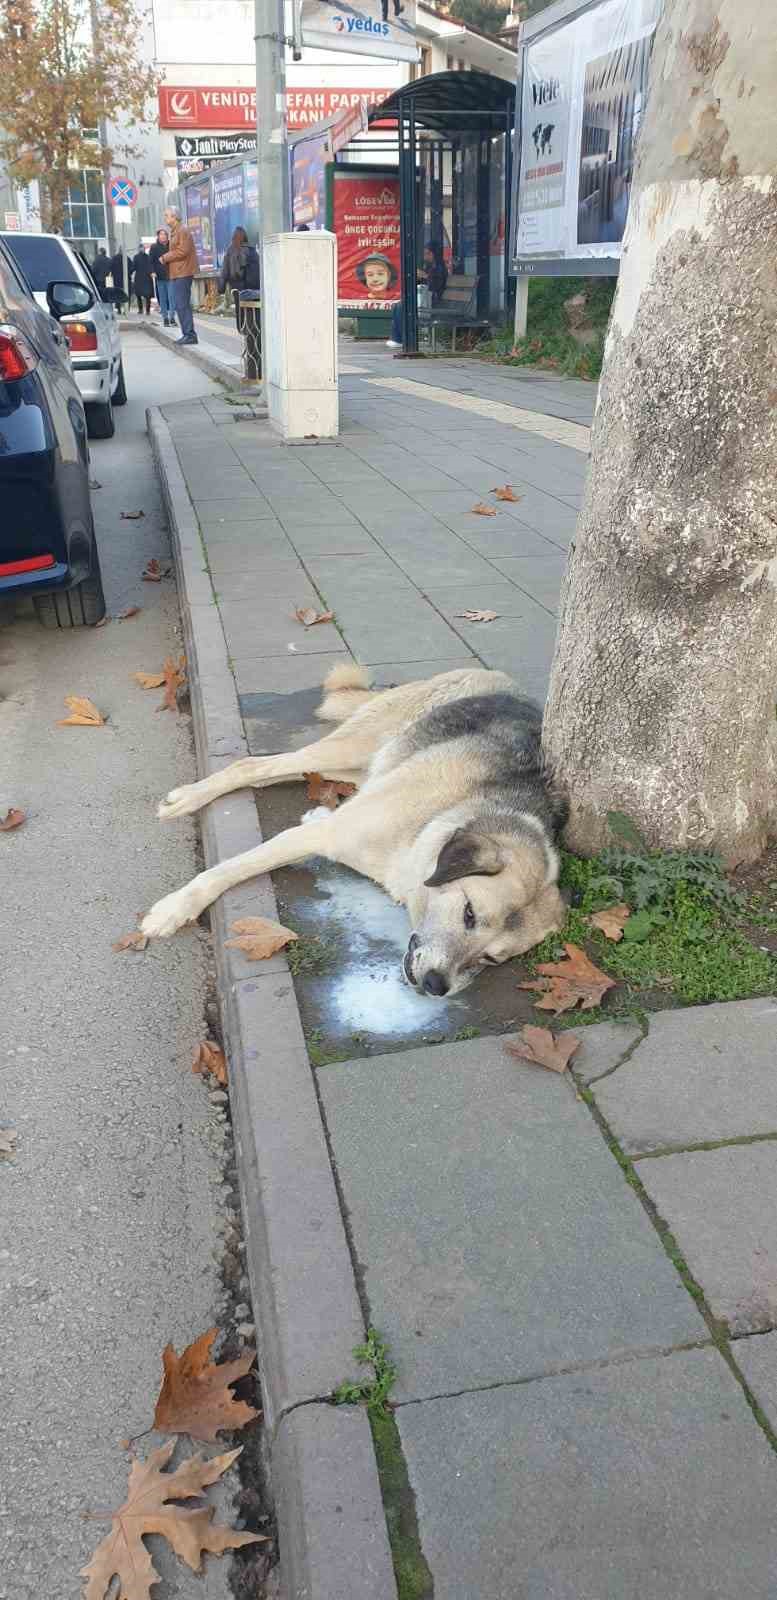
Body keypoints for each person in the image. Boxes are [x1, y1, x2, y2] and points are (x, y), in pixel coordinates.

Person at [387, 242, 447, 350]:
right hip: (426, 298)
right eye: (425, 254)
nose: (426, 256)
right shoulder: (429, 266)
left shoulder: (440, 267)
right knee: (397, 306)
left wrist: (425, 276)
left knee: (401, 306)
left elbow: (436, 287)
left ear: (435, 254)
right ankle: (397, 338)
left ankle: (400, 339)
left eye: (428, 253)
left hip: (435, 300)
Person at [160, 207, 199, 346]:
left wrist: (165, 257)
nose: (165, 218)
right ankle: (187, 334)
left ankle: (190, 335)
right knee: (179, 304)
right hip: (178, 272)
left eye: (167, 216)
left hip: (183, 272)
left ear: (174, 217)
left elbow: (183, 251)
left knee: (182, 304)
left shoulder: (183, 231)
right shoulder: (175, 231)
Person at [217, 226, 261, 333]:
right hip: (253, 291)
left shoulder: (230, 251)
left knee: (241, 315)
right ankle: (252, 335)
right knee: (253, 315)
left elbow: (224, 272)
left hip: (237, 291)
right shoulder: (252, 251)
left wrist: (221, 289)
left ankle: (243, 330)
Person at [149, 227, 174, 325]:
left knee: (172, 297)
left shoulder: (171, 246)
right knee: (162, 298)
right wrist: (152, 271)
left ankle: (172, 317)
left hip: (171, 275)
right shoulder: (154, 247)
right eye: (161, 234)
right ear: (158, 236)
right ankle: (165, 318)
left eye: (164, 234)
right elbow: (150, 261)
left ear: (167, 236)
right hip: (159, 276)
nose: (163, 236)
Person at [130, 243, 154, 315]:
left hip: (141, 278)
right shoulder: (146, 257)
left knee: (142, 295)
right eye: (141, 248)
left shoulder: (137, 257)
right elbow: (134, 267)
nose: (142, 249)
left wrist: (129, 272)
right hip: (145, 278)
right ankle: (145, 310)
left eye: (142, 248)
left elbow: (133, 267)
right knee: (143, 295)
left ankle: (144, 310)